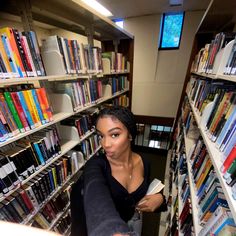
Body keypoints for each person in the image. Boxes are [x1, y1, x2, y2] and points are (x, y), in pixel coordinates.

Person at [70, 106, 167, 236]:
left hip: (131, 222)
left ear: (130, 135)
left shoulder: (145, 162)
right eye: (101, 136)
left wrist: (161, 199)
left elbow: (148, 194)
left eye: (114, 135)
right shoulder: (95, 166)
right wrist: (111, 231)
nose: (105, 144)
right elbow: (97, 198)